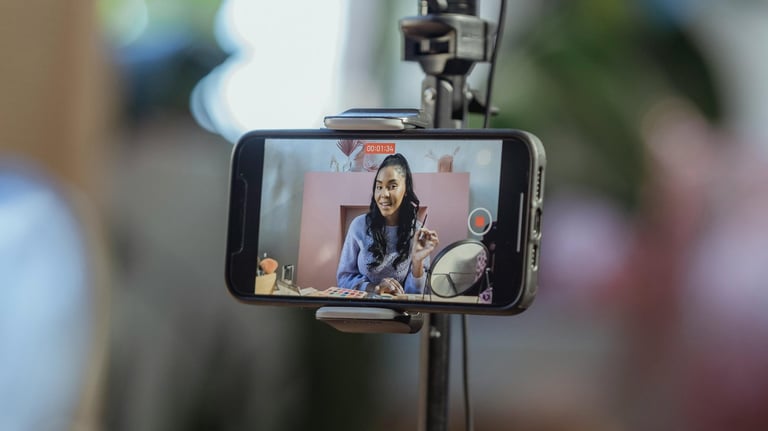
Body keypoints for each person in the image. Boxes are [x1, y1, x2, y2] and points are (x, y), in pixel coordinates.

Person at [337, 153, 439, 295]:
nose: (384, 194)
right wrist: (374, 288)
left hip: (400, 308)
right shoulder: (359, 226)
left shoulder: (418, 233)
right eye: (379, 187)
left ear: (406, 190)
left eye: (392, 186)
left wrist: (417, 262)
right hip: (363, 306)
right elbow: (343, 278)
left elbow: (416, 294)